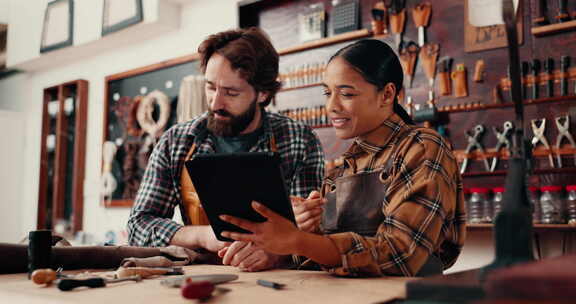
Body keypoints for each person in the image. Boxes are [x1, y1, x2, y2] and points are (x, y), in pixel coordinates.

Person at [219, 39, 466, 277]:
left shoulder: (422, 147)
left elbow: (402, 255)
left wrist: (300, 241)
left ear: (387, 94)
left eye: (346, 94)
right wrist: (294, 236)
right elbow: (330, 256)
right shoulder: (343, 169)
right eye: (328, 93)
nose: (331, 106)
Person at [127, 27, 325, 272]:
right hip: (201, 279)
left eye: (231, 92)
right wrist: (202, 236)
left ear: (262, 94)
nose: (215, 103)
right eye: (210, 87)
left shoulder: (299, 140)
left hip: (278, 285)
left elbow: (312, 239)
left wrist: (274, 255)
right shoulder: (176, 142)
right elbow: (138, 227)